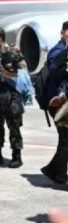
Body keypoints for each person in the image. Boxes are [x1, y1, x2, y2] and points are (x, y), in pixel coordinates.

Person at [0, 29, 31, 168]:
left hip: (12, 96)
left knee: (14, 127)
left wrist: (8, 76)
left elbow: (24, 75)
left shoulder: (14, 53)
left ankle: (16, 156)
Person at [41, 21, 68, 184]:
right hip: (57, 103)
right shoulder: (57, 51)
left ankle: (54, 170)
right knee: (66, 140)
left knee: (65, 140)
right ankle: (57, 174)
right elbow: (55, 72)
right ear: (62, 32)